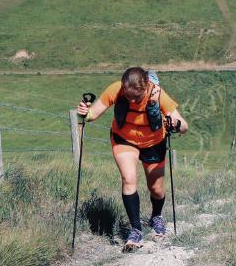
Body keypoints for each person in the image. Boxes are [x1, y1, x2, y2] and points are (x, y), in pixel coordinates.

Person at [77, 67, 189, 251]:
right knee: (128, 180)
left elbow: (184, 126)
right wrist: (84, 112)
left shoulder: (158, 94)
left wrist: (175, 124)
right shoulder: (116, 89)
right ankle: (135, 230)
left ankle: (157, 216)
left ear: (146, 88)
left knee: (156, 188)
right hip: (124, 139)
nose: (132, 101)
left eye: (136, 98)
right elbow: (92, 115)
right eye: (128, 97)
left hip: (154, 142)